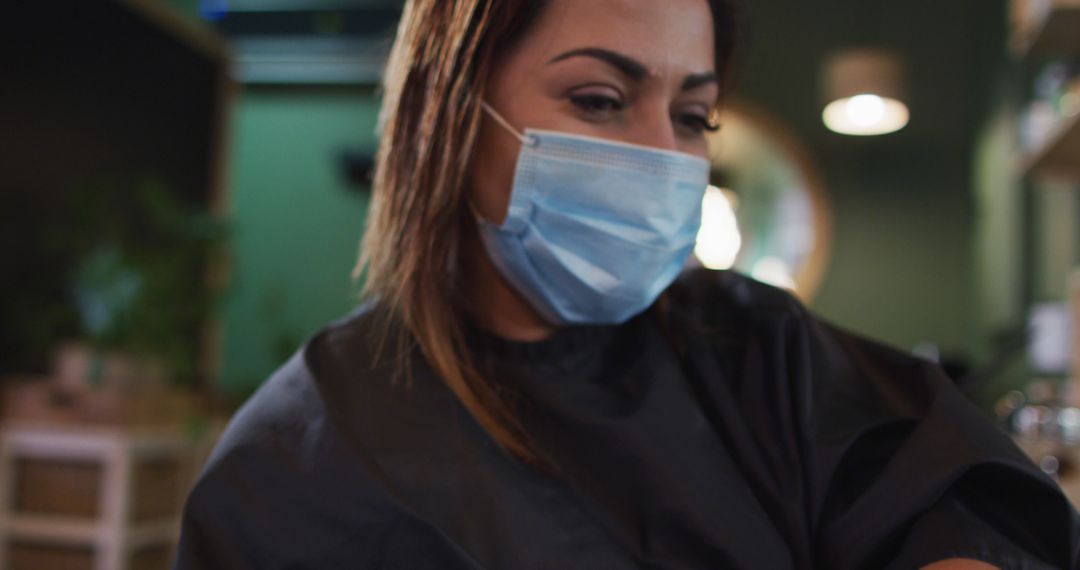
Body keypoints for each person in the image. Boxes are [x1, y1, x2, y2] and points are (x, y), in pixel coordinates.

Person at [172, 0, 1080, 568]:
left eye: (692, 115)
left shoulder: (754, 348)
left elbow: (948, 494)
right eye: (600, 100)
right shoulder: (303, 461)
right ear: (449, 114)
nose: (662, 155)